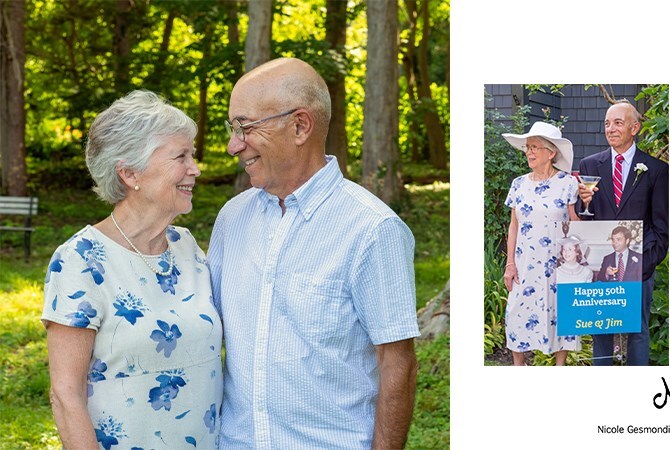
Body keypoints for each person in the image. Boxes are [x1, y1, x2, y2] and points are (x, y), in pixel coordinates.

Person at [208, 58, 420, 448]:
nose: (233, 145)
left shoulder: (372, 229)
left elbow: (397, 364)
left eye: (245, 127)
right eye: (232, 128)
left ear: (300, 126)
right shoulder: (232, 218)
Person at [41, 91, 223, 448]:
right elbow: (65, 396)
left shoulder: (186, 247)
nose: (195, 168)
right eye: (181, 156)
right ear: (129, 173)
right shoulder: (80, 260)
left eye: (193, 154)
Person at [576, 101, 668, 366]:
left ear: (634, 127)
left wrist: (644, 265)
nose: (611, 128)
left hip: (640, 267)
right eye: (607, 123)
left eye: (618, 123)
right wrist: (584, 203)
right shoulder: (590, 165)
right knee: (601, 331)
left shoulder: (655, 170)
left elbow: (660, 228)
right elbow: (586, 220)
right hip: (602, 268)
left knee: (637, 332)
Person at [501, 121, 582, 366]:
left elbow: (575, 222)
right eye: (528, 147)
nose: (529, 152)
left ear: (551, 152)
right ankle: (519, 366)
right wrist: (510, 263)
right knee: (516, 312)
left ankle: (559, 367)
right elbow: (513, 226)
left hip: (559, 265)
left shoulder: (568, 183)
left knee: (561, 314)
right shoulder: (519, 184)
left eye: (535, 147)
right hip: (525, 264)